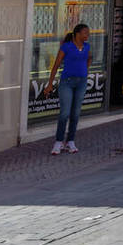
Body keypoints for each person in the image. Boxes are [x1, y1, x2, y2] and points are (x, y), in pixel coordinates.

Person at [45, 23, 90, 155]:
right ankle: (58, 142)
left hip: (81, 82)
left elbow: (88, 59)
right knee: (64, 113)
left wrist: (85, 72)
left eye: (88, 33)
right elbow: (56, 65)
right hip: (67, 82)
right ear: (77, 34)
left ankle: (70, 141)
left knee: (75, 113)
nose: (87, 35)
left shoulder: (87, 47)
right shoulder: (67, 46)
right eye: (85, 32)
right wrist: (50, 84)